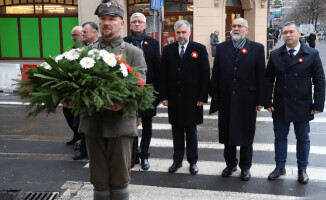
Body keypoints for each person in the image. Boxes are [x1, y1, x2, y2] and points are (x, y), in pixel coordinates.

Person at [78, 1, 147, 199]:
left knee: (120, 178)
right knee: (98, 179)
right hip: (93, 124)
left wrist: (122, 100)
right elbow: (77, 85)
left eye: (112, 19)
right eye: (103, 19)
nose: (106, 23)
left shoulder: (134, 53)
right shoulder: (86, 52)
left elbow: (140, 85)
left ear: (121, 23)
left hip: (120, 125)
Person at [265, 21, 325, 184]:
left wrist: (318, 104)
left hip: (303, 104)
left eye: (291, 32)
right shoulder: (276, 54)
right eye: (285, 33)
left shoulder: (311, 54)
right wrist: (267, 101)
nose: (288, 35)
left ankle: (302, 169)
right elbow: (268, 79)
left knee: (303, 138)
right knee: (280, 137)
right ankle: (280, 166)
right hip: (280, 103)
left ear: (299, 34)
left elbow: (319, 80)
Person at [210, 17, 266, 181]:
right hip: (226, 99)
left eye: (240, 26)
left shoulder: (257, 48)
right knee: (228, 134)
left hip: (247, 100)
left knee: (246, 135)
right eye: (234, 26)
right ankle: (230, 164)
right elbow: (216, 74)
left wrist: (260, 100)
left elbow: (261, 76)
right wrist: (215, 96)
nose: (236, 29)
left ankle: (245, 167)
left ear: (246, 30)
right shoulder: (221, 48)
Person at [160, 20, 210, 175]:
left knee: (191, 131)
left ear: (189, 32)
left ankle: (193, 161)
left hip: (193, 99)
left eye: (183, 32)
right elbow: (163, 75)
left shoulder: (199, 49)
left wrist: (203, 96)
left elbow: (205, 74)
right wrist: (164, 96)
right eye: (178, 33)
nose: (181, 35)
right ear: (175, 33)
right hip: (174, 98)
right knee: (176, 131)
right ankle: (177, 160)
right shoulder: (168, 49)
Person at [123, 12, 160, 170]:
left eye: (140, 22)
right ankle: (133, 154)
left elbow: (157, 69)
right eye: (134, 22)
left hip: (147, 92)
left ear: (145, 25)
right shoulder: (124, 42)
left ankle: (144, 154)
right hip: (128, 93)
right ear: (130, 25)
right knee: (131, 125)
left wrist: (157, 95)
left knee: (147, 125)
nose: (137, 24)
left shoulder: (153, 43)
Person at [71, 22, 100, 161]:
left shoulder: (102, 48)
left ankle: (93, 150)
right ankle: (83, 150)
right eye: (81, 32)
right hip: (82, 92)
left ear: (95, 33)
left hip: (97, 93)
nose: (82, 35)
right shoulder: (79, 48)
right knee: (82, 122)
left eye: (85, 32)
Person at [64, 26, 84, 146]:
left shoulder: (87, 49)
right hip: (71, 86)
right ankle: (76, 135)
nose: (74, 38)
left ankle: (82, 140)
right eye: (72, 35)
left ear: (83, 35)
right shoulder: (73, 49)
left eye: (76, 35)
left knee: (79, 116)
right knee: (67, 111)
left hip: (81, 87)